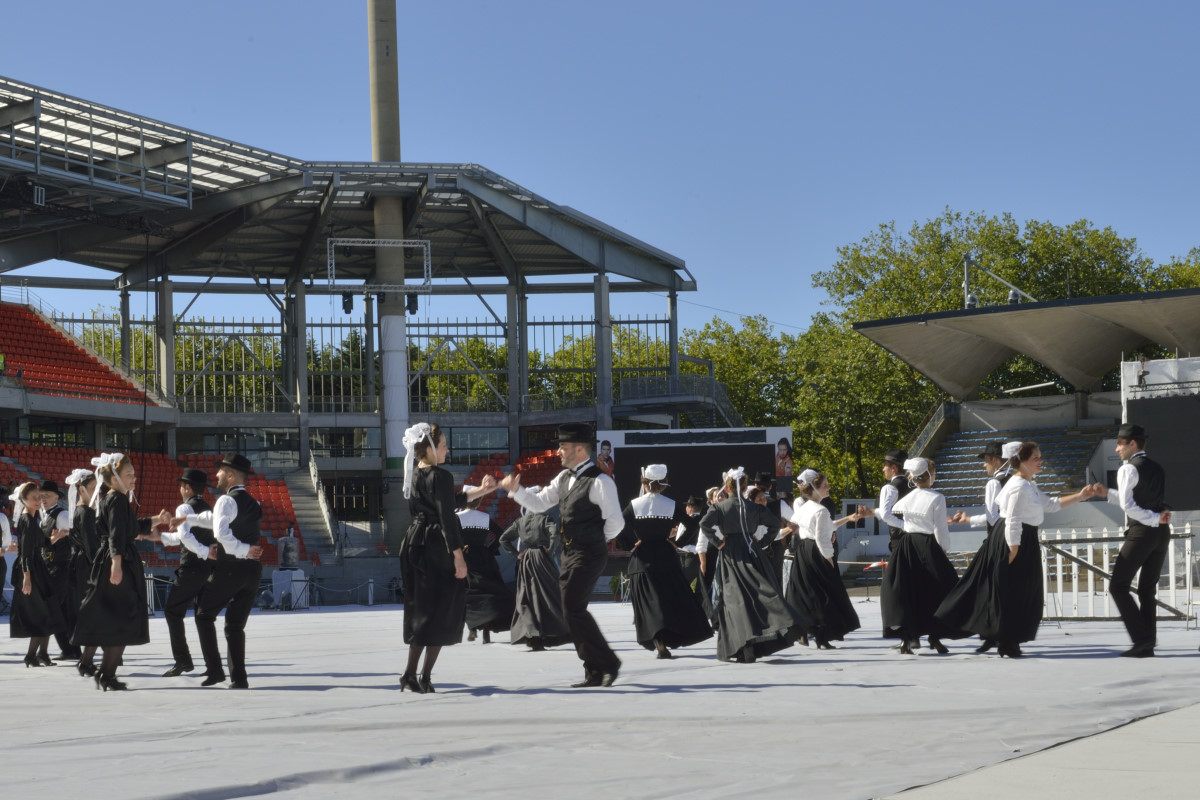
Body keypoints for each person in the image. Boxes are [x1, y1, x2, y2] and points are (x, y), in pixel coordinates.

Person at [500, 422, 624, 687]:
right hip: (569, 553)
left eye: (563, 447)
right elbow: (539, 503)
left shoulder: (601, 481)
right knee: (570, 611)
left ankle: (606, 663)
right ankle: (594, 667)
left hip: (589, 553)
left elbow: (616, 522)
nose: (557, 451)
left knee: (572, 608)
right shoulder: (563, 478)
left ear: (580, 449)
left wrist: (596, 540)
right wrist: (516, 491)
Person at [397, 424, 498, 693]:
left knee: (422, 612)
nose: (447, 449)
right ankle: (425, 677)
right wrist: (459, 557)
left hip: (413, 544)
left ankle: (410, 674)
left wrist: (481, 491)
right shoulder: (441, 475)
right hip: (434, 546)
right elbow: (446, 518)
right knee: (442, 610)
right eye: (443, 445)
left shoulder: (414, 474)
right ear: (429, 448)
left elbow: (448, 501)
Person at [979, 442, 1103, 657]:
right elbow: (1013, 521)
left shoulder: (1029, 485)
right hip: (1017, 540)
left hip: (1023, 539)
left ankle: (1009, 639)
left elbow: (1052, 504)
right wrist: (1014, 549)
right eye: (1035, 457)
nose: (1040, 461)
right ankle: (1008, 641)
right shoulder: (1018, 486)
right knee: (1017, 592)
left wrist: (1081, 495)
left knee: (1024, 592)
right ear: (1022, 462)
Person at [173, 453, 264, 689]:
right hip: (253, 573)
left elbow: (222, 534)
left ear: (231, 475)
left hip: (231, 569)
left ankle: (215, 671)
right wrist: (187, 519)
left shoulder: (226, 500)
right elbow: (212, 519)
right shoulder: (255, 503)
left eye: (221, 471)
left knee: (203, 615)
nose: (216, 475)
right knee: (235, 626)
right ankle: (239, 678)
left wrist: (243, 549)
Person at [73, 453, 162, 690]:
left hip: (115, 558)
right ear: (114, 478)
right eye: (128, 475)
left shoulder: (112, 499)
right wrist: (117, 563)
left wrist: (157, 520)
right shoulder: (118, 500)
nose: (134, 479)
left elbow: (128, 528)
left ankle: (106, 673)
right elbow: (115, 535)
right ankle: (107, 674)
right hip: (118, 560)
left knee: (117, 619)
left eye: (134, 474)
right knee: (122, 619)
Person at [699, 467, 805, 663]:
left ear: (728, 487)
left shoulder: (719, 508)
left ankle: (743, 645)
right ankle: (765, 635)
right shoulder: (754, 507)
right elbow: (774, 525)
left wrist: (718, 542)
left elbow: (704, 524)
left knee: (734, 600)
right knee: (759, 594)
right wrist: (761, 541)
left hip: (731, 554)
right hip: (752, 552)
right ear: (745, 486)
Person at [615, 464, 712, 659]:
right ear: (663, 484)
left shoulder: (634, 504)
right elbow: (693, 523)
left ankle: (657, 638)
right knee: (669, 600)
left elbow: (616, 524)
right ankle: (667, 637)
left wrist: (629, 545)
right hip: (666, 557)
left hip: (642, 558)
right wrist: (678, 543)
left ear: (645, 482)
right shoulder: (671, 504)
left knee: (649, 603)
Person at [935, 441, 1020, 653]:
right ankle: (996, 635)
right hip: (1017, 539)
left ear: (995, 460)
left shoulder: (994, 483)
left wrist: (969, 519)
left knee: (982, 587)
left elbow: (993, 517)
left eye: (986, 461)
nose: (984, 466)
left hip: (997, 541)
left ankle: (989, 633)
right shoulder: (1019, 480)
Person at [1103, 424, 1172, 657]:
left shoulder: (1127, 469)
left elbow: (1129, 506)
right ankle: (1147, 644)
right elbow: (1134, 499)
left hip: (1142, 531)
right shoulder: (1157, 467)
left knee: (1118, 586)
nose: (1116, 449)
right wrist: (1105, 493)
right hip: (1161, 533)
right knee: (1146, 590)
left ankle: (1142, 639)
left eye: (1120, 444)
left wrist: (1152, 519)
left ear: (1132, 443)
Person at [880, 458, 959, 655]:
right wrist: (944, 550)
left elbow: (888, 515)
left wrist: (905, 527)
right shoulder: (937, 497)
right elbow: (941, 529)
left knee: (907, 591)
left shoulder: (907, 498)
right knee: (940, 589)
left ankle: (907, 639)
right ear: (930, 475)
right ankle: (935, 635)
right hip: (927, 545)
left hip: (906, 546)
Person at [788, 469, 868, 649]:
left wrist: (847, 518)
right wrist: (829, 558)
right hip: (817, 552)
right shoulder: (821, 510)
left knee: (811, 593)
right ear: (815, 488)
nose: (828, 488)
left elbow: (825, 528)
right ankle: (822, 636)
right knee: (827, 594)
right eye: (825, 486)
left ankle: (813, 632)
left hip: (804, 552)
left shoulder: (806, 506)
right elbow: (822, 538)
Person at [159, 468, 216, 677]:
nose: (180, 489)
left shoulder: (184, 506)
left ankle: (183, 660)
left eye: (182, 485)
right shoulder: (207, 507)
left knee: (172, 612)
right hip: (208, 569)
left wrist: (203, 552)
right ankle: (212, 665)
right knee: (203, 617)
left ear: (187, 487)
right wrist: (161, 537)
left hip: (192, 566)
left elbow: (185, 537)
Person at [499, 495, 571, 651]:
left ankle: (532, 633)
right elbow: (555, 534)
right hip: (542, 558)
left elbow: (503, 539)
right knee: (549, 595)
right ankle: (550, 632)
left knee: (527, 596)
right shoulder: (546, 519)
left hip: (526, 559)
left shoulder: (520, 521)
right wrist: (550, 551)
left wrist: (516, 554)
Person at [10, 481, 67, 668]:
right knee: (42, 614)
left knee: (49, 612)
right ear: (24, 500)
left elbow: (42, 542)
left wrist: (55, 538)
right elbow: (25, 552)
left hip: (38, 569)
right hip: (30, 570)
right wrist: (27, 578)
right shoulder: (26, 520)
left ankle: (41, 654)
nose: (38, 500)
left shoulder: (33, 519)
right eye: (34, 498)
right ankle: (32, 655)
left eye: (39, 497)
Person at [456, 486, 514, 645]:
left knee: (468, 592)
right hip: (484, 557)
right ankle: (486, 631)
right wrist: (490, 549)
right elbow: (500, 534)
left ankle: (473, 629)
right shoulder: (484, 516)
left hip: (465, 557)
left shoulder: (457, 517)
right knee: (489, 592)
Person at [64, 468, 101, 676]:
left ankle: (87, 658)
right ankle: (86, 659)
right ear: (81, 490)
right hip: (87, 566)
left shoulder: (81, 511)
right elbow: (91, 547)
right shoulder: (85, 513)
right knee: (93, 612)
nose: (96, 492)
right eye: (93, 488)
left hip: (81, 564)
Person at [39, 479, 81, 661]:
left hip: (61, 567)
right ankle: (71, 649)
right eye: (41, 496)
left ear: (57, 497)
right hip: (49, 567)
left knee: (53, 607)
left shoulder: (62, 515)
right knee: (63, 610)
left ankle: (66, 649)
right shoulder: (43, 516)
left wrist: (67, 534)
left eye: (47, 496)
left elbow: (79, 531)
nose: (43, 499)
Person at [874, 448, 911, 554]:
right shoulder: (912, 485)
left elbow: (885, 514)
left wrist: (904, 525)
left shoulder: (889, 488)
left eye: (885, 465)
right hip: (915, 538)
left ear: (894, 468)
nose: (883, 469)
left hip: (899, 540)